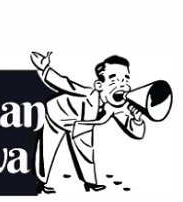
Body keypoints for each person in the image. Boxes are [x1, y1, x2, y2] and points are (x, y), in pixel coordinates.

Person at [29, 51, 146, 193]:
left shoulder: (117, 106)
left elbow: (135, 131)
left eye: (126, 80)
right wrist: (45, 68)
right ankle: (41, 182)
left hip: (81, 124)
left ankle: (90, 182)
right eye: (114, 80)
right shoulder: (87, 93)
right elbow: (65, 83)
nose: (122, 85)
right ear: (99, 85)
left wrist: (137, 120)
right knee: (47, 150)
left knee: (85, 150)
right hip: (57, 114)